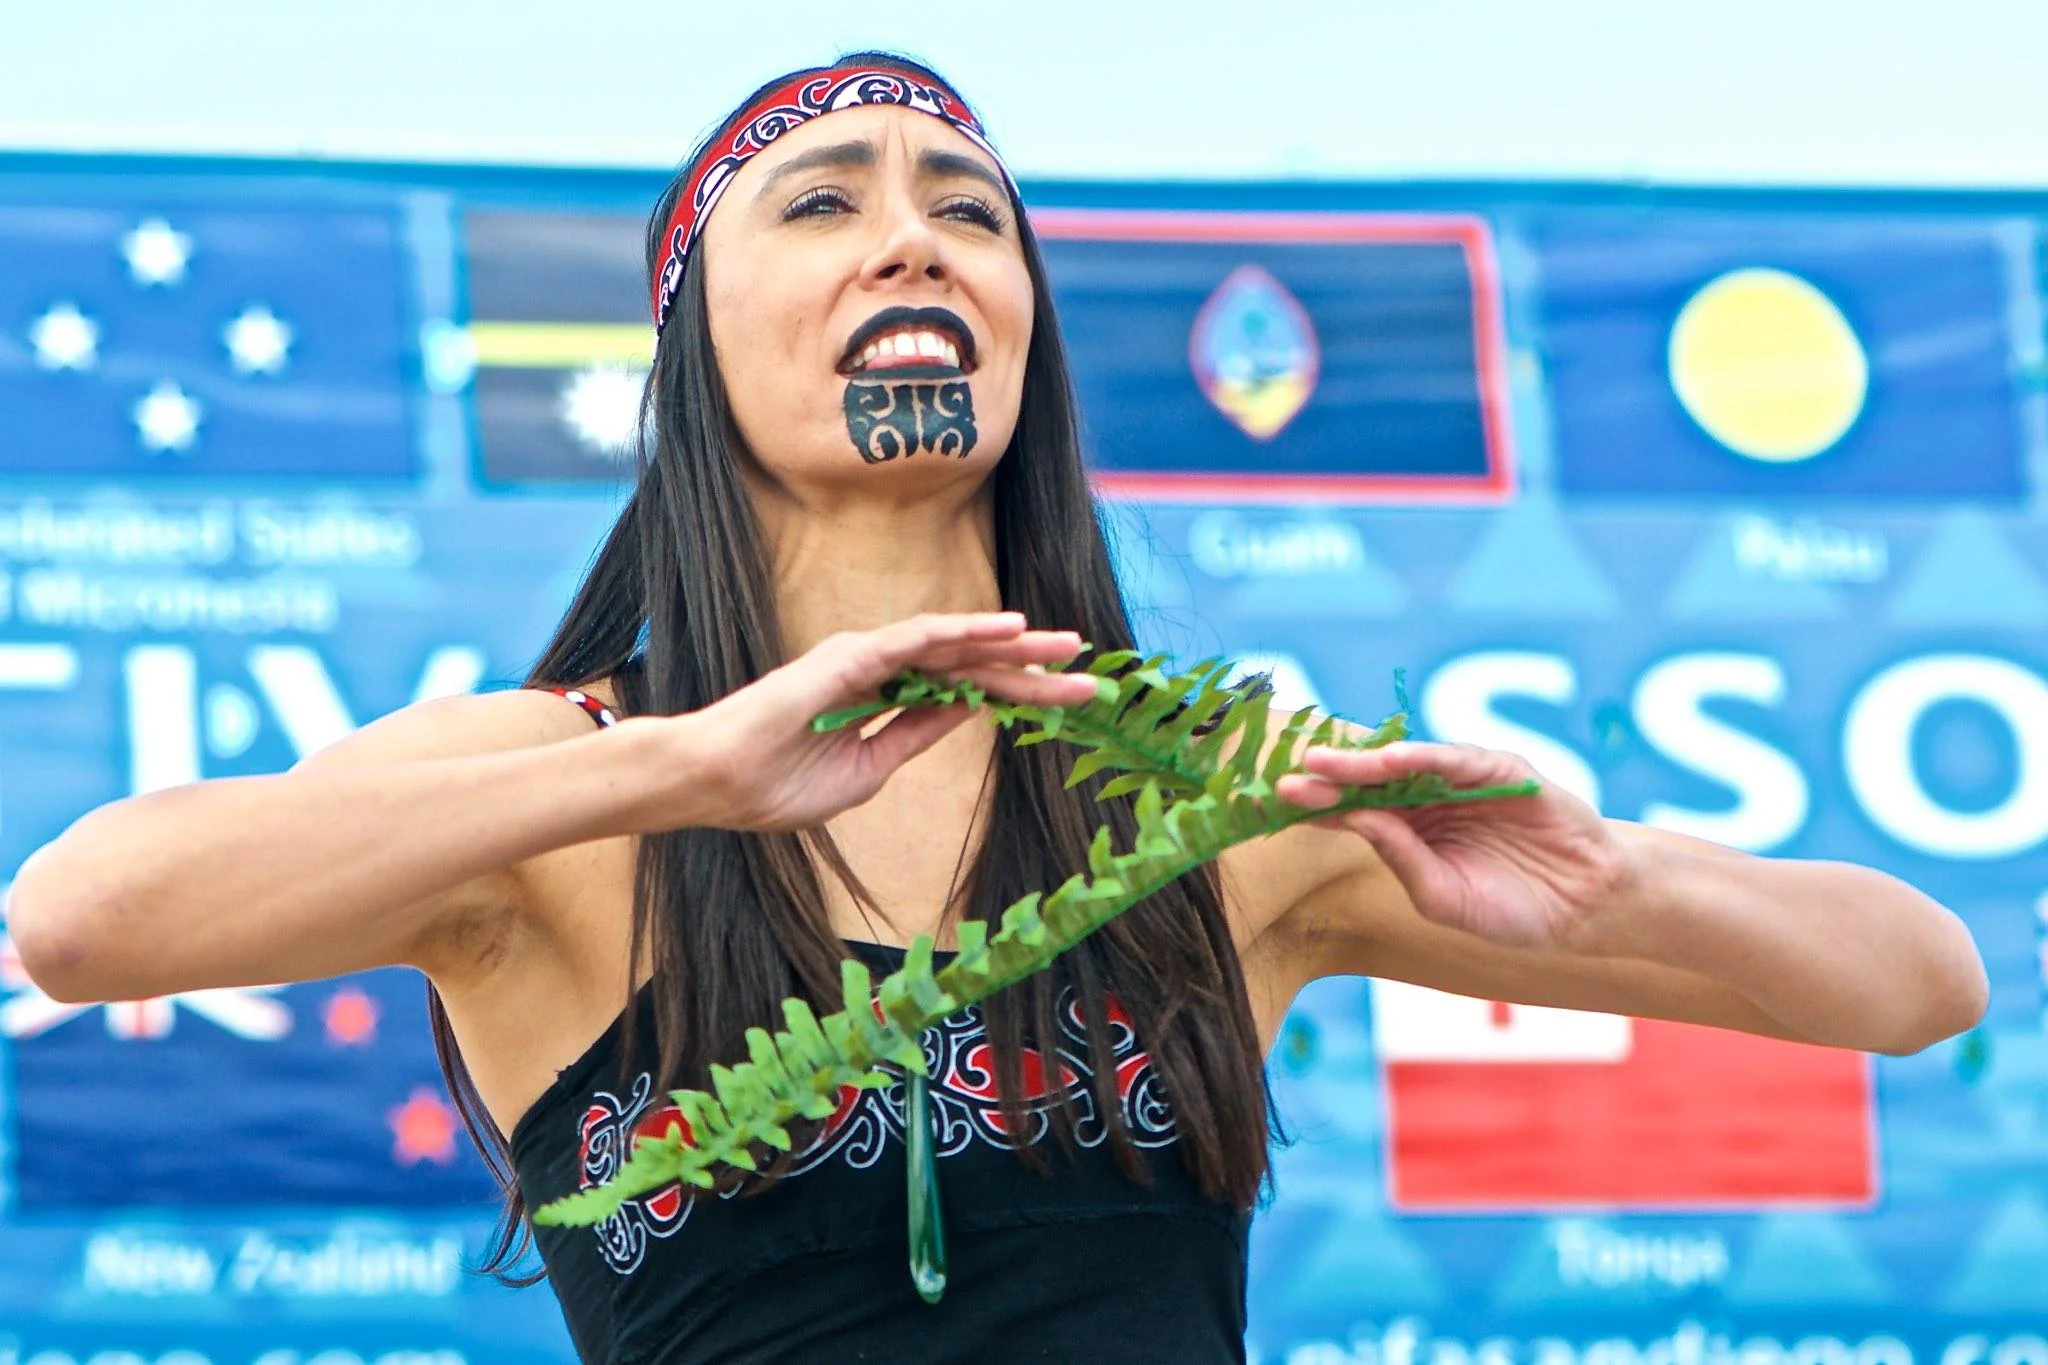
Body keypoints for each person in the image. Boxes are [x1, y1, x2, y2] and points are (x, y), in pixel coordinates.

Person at [7, 53, 1986, 1365]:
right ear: (693, 346)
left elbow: (1910, 981)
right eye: (824, 202)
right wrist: (691, 765)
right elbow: (88, 921)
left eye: (967, 206)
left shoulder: (1214, 796)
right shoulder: (575, 776)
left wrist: (1606, 869)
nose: (913, 235)